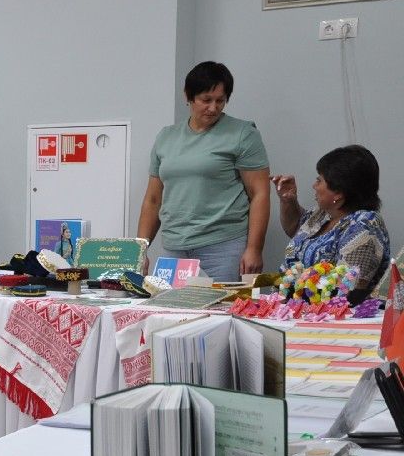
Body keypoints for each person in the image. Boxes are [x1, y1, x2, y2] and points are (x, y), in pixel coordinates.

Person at [137, 61, 271, 282]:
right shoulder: (166, 137)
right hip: (174, 247)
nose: (213, 107)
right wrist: (140, 249)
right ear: (188, 96)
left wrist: (254, 248)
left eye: (221, 100)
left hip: (223, 247)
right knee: (172, 313)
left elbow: (260, 194)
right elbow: (153, 200)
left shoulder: (243, 134)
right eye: (205, 100)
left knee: (218, 313)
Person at [273, 144, 389, 305]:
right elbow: (294, 229)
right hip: (295, 309)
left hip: (333, 318)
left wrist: (291, 298)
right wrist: (288, 200)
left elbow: (346, 290)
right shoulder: (323, 213)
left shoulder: (364, 225)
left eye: (319, 180)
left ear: (339, 193)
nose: (314, 185)